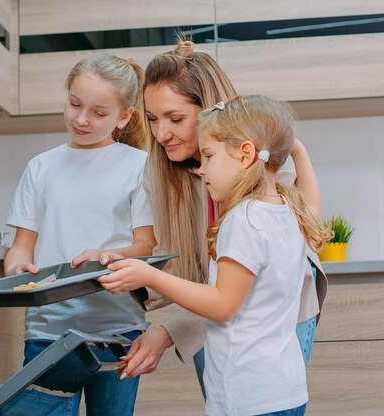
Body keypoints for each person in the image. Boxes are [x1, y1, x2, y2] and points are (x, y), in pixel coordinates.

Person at [95, 39, 327, 393]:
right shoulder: (159, 170)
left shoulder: (260, 167)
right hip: (208, 310)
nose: (161, 134)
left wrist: (167, 331)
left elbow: (236, 293)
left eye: (176, 119)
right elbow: (180, 268)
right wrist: (114, 262)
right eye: (153, 119)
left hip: (268, 311)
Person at [2, 54, 156, 416]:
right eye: (74, 104)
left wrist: (107, 256)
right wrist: (17, 269)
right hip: (48, 332)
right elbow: (21, 247)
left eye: (99, 113)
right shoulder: (40, 167)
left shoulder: (139, 166)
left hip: (118, 332)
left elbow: (145, 246)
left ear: (124, 117)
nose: (82, 119)